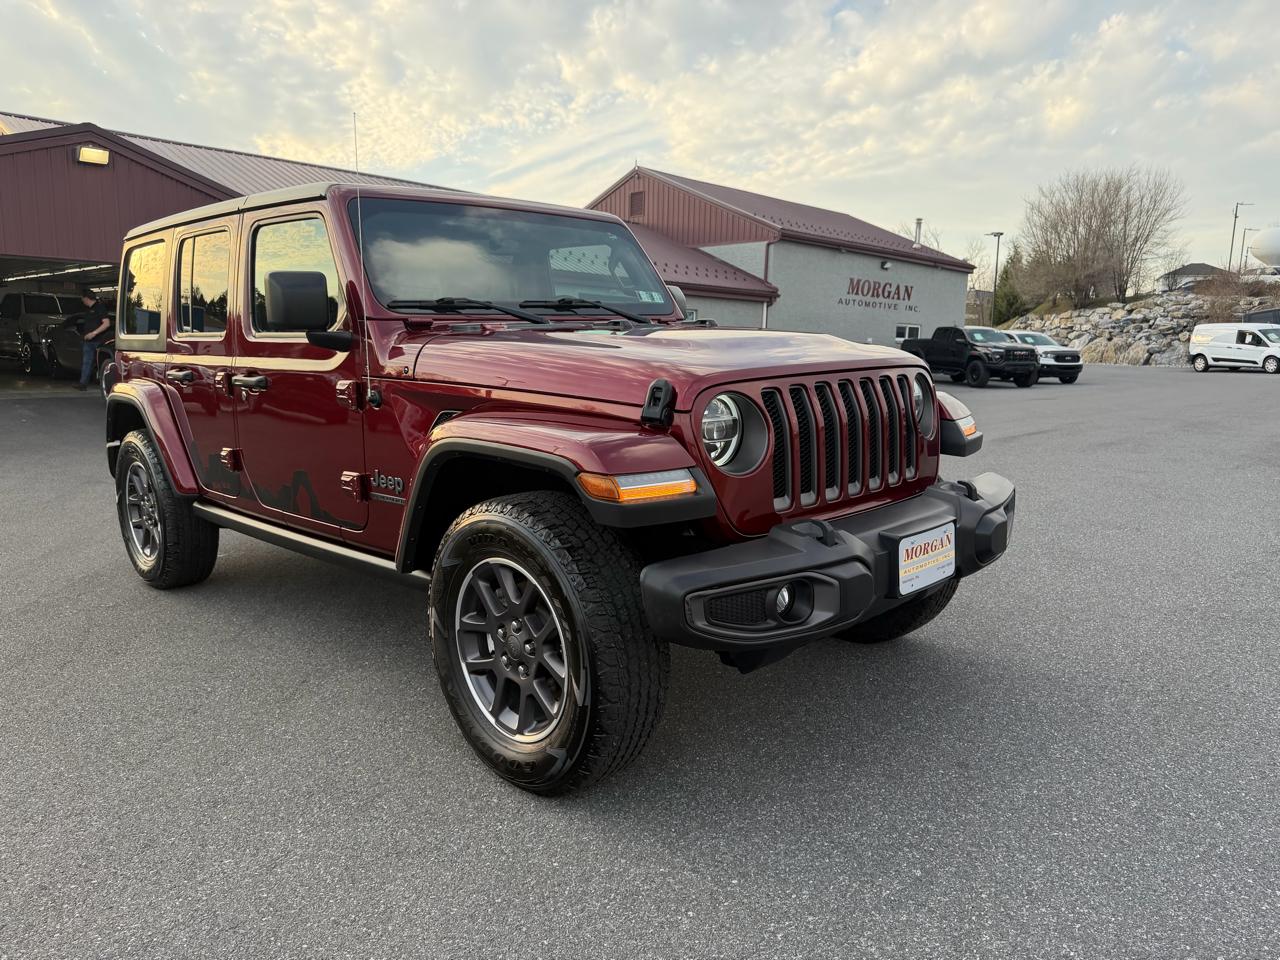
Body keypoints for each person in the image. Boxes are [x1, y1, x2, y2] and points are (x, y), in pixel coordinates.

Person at [76, 289, 110, 391]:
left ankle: (104, 384)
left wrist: (93, 333)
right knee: (87, 362)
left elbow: (106, 323)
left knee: (101, 363)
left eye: (83, 299)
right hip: (88, 342)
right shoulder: (87, 310)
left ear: (86, 298)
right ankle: (83, 384)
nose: (82, 301)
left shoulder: (100, 308)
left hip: (99, 341)